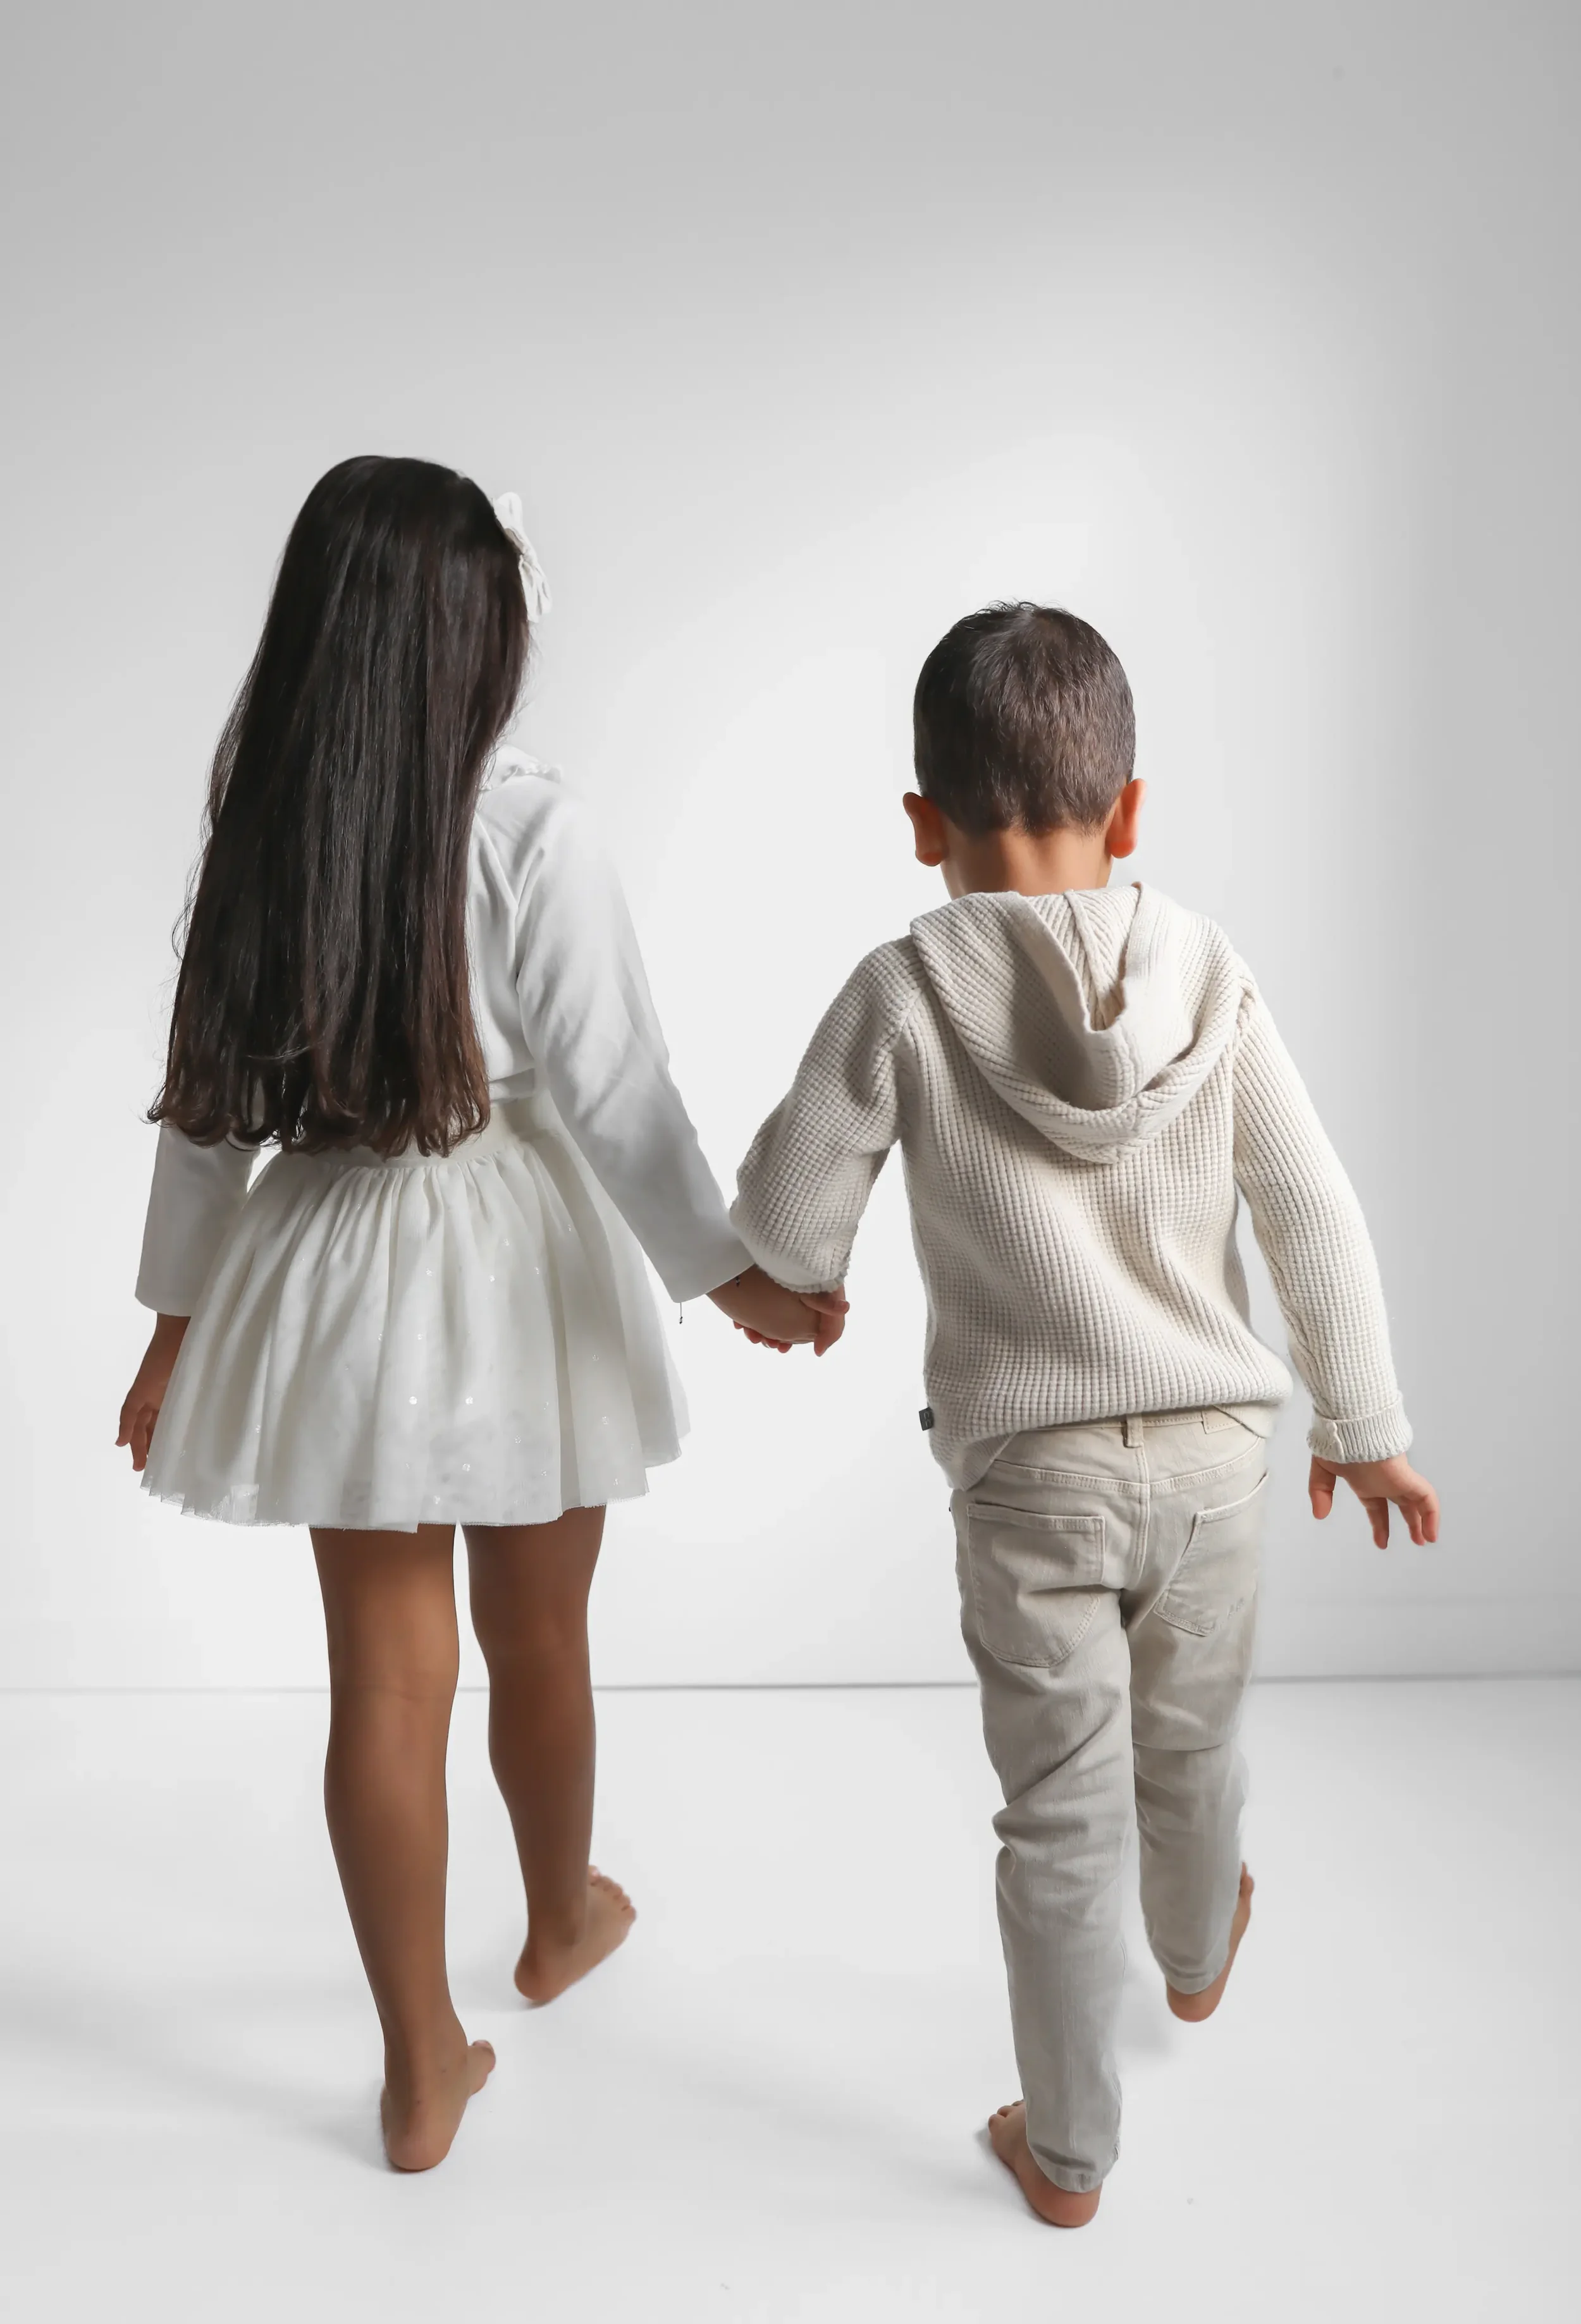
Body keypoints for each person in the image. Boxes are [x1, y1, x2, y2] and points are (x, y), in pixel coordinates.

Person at [116, 456, 840, 2174]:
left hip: (334, 1262)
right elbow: (614, 1089)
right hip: (516, 1255)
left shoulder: (266, 828)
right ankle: (558, 1910)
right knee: (541, 1636)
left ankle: (417, 2060)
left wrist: (171, 1324)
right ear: (475, 636)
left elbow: (208, 1111)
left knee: (382, 1680)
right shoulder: (529, 823)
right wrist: (732, 1268)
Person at [729, 602, 1438, 2225]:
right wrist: (1363, 1423)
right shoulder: (1207, 971)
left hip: (1028, 1475)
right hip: (1213, 1456)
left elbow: (786, 1212)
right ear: (1126, 814)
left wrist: (786, 1294)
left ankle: (1064, 2160)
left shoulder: (902, 989)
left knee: (1055, 1817)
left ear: (923, 827)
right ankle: (1193, 1963)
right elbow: (1306, 1207)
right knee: (1189, 1749)